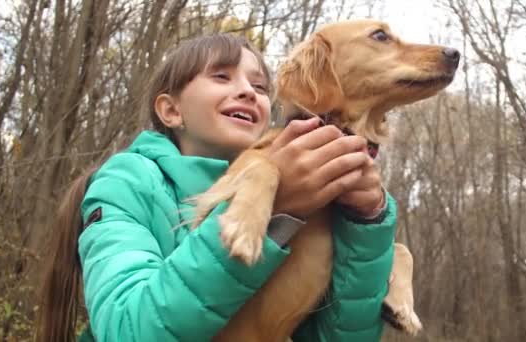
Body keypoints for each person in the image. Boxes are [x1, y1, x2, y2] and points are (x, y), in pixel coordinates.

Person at [37, 33, 397, 342]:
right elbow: (129, 328)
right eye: (222, 77)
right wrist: (273, 207)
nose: (247, 92)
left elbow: (340, 334)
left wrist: (365, 224)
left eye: (259, 87)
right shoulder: (128, 180)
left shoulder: (304, 197)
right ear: (171, 111)